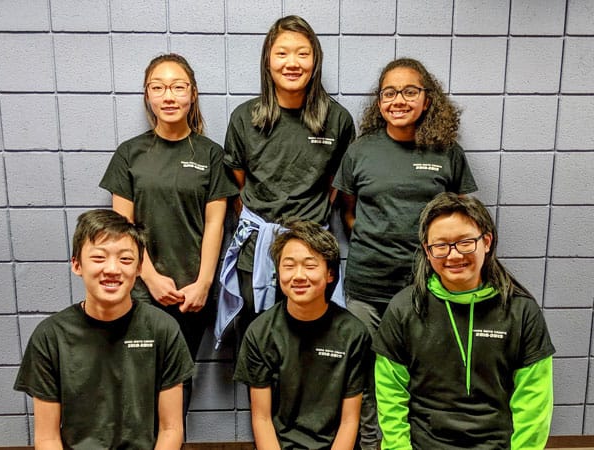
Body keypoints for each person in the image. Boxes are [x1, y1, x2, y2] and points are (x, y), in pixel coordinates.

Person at [332, 57, 478, 449]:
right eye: (389, 93)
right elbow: (348, 211)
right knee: (366, 378)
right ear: (379, 102)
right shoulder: (360, 151)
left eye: (409, 91)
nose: (398, 100)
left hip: (426, 289)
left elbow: (461, 218)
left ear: (427, 99)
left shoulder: (446, 152)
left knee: (422, 374)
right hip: (367, 288)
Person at [99, 53, 238, 418]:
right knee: (137, 378)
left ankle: (173, 441)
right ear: (148, 95)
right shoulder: (130, 154)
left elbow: (216, 225)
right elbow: (122, 229)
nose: (169, 96)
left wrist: (203, 284)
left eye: (178, 87)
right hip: (141, 290)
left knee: (178, 380)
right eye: (158, 87)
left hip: (191, 294)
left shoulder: (210, 155)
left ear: (193, 94)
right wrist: (149, 277)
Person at [373, 193, 555, 449]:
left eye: (465, 242)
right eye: (441, 246)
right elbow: (390, 395)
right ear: (427, 251)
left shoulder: (522, 311)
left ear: (487, 242)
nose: (454, 255)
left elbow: (534, 403)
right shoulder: (404, 308)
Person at [215, 15, 356, 347]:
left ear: (315, 61)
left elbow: (336, 184)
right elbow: (239, 186)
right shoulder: (245, 118)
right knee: (258, 344)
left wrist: (307, 225)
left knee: (314, 346)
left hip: (313, 250)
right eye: (282, 53)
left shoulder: (337, 120)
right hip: (256, 252)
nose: (292, 63)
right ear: (268, 60)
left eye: (302, 54)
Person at [14, 209, 195, 449]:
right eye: (99, 258)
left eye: (125, 259)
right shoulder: (50, 336)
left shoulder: (162, 329)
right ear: (77, 265)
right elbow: (47, 438)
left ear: (139, 268)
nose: (112, 269)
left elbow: (171, 429)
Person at [234, 219, 371, 450]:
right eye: (288, 266)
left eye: (310, 266)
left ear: (330, 273)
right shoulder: (260, 332)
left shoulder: (354, 334)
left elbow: (350, 421)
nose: (298, 276)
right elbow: (261, 418)